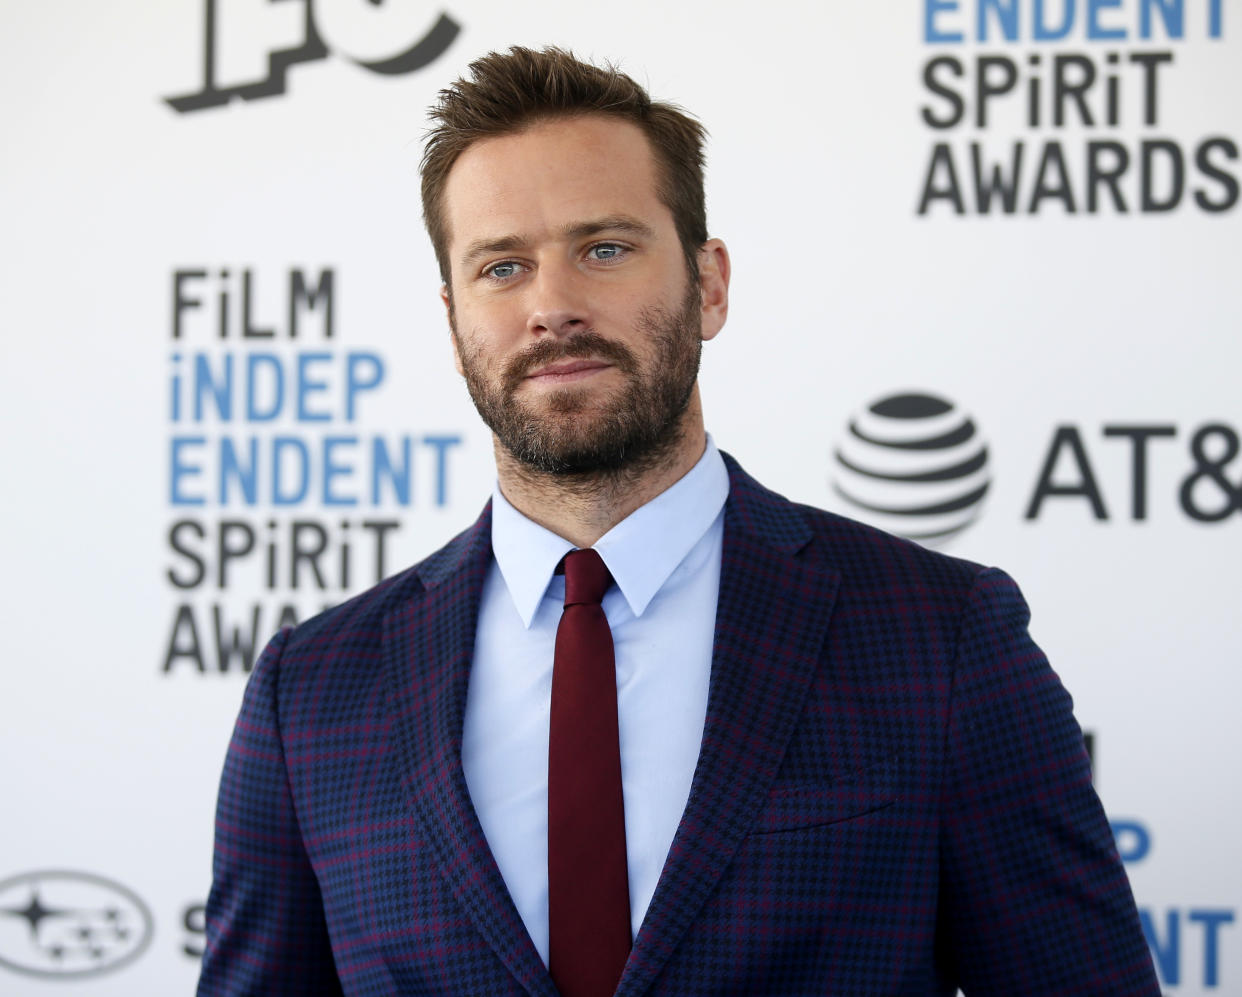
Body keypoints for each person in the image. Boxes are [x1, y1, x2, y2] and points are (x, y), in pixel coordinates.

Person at [198, 46, 1160, 996]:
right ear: (453, 322)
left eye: (604, 248)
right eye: (503, 267)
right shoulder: (313, 692)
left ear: (709, 286)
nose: (554, 306)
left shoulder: (941, 637)